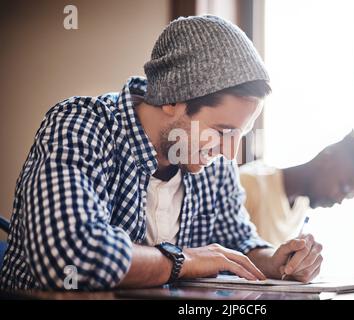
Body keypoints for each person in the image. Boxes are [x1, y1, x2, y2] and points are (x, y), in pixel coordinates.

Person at [0, 15, 323, 290]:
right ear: (172, 99)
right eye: (224, 131)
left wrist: (274, 262)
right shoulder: (81, 126)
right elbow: (68, 259)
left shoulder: (211, 163)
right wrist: (184, 260)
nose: (230, 152)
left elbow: (238, 242)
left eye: (241, 134)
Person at [240, 131, 354, 246]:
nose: (339, 200)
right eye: (343, 188)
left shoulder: (301, 206)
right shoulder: (249, 184)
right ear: (326, 159)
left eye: (347, 197)